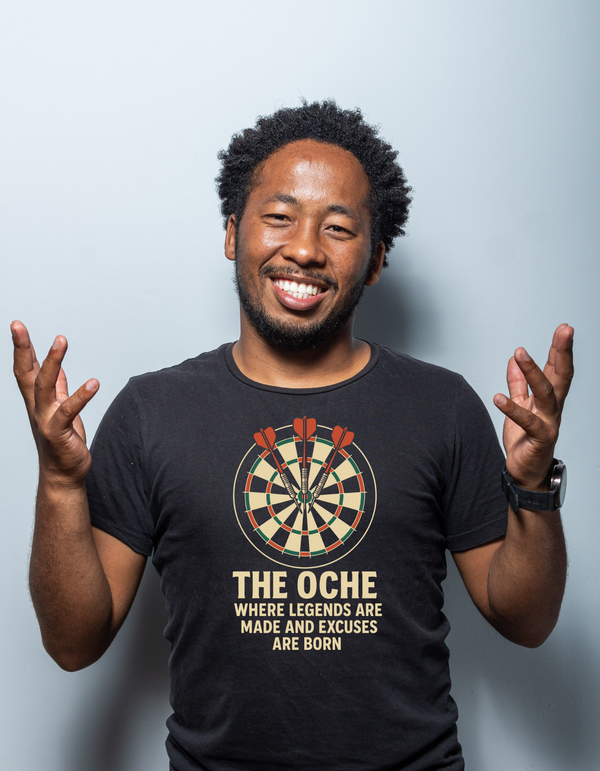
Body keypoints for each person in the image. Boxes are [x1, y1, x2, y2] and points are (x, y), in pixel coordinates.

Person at [12, 100, 573, 771]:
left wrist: (533, 485)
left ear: (375, 260)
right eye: (279, 217)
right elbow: (73, 644)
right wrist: (59, 483)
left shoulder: (442, 406)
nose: (304, 248)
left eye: (339, 227)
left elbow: (527, 620)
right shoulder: (150, 411)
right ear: (231, 232)